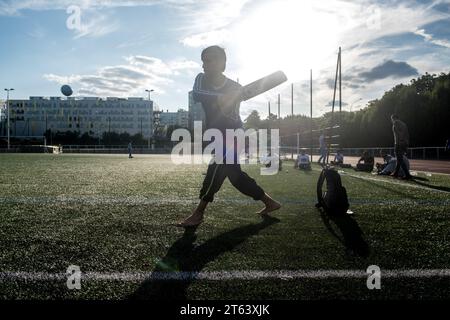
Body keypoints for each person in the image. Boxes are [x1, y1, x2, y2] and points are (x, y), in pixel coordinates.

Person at [176, 45, 281, 227]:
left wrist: (231, 99)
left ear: (222, 62)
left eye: (210, 60)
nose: (205, 65)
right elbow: (198, 95)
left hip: (233, 135)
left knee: (215, 169)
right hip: (216, 135)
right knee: (236, 177)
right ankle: (270, 202)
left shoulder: (235, 87)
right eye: (204, 61)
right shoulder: (201, 79)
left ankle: (198, 213)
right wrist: (223, 96)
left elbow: (233, 115)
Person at [390, 114, 412, 179]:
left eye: (391, 119)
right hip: (404, 143)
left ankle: (406, 174)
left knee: (399, 159)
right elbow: (407, 135)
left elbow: (400, 133)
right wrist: (406, 144)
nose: (391, 120)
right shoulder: (404, 124)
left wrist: (400, 142)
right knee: (399, 159)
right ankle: (396, 173)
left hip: (399, 143)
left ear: (393, 118)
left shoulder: (396, 123)